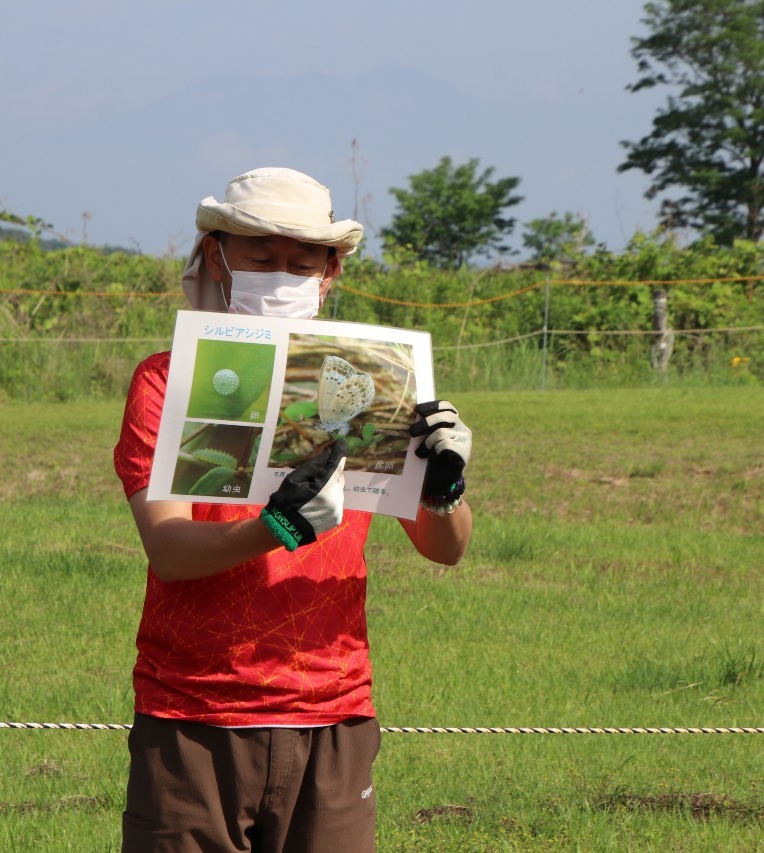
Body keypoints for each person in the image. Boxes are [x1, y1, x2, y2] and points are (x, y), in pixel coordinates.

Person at [113, 167, 473, 852]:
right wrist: (273, 529)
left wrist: (445, 486)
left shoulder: (368, 379)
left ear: (329, 272)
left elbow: (445, 547)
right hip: (193, 711)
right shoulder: (168, 381)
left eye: (300, 261)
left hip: (334, 709)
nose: (280, 274)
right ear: (216, 254)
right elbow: (168, 549)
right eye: (259, 256)